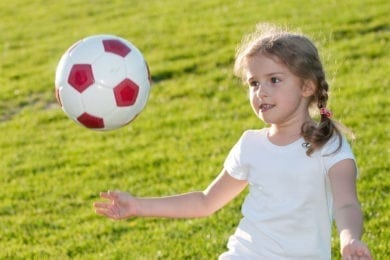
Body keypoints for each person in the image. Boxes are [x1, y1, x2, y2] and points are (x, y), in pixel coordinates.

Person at [93, 23, 372, 259]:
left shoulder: (329, 146)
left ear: (307, 86)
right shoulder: (251, 145)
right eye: (254, 83)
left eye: (274, 80)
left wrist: (349, 239)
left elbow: (346, 204)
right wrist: (138, 205)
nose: (261, 91)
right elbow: (205, 201)